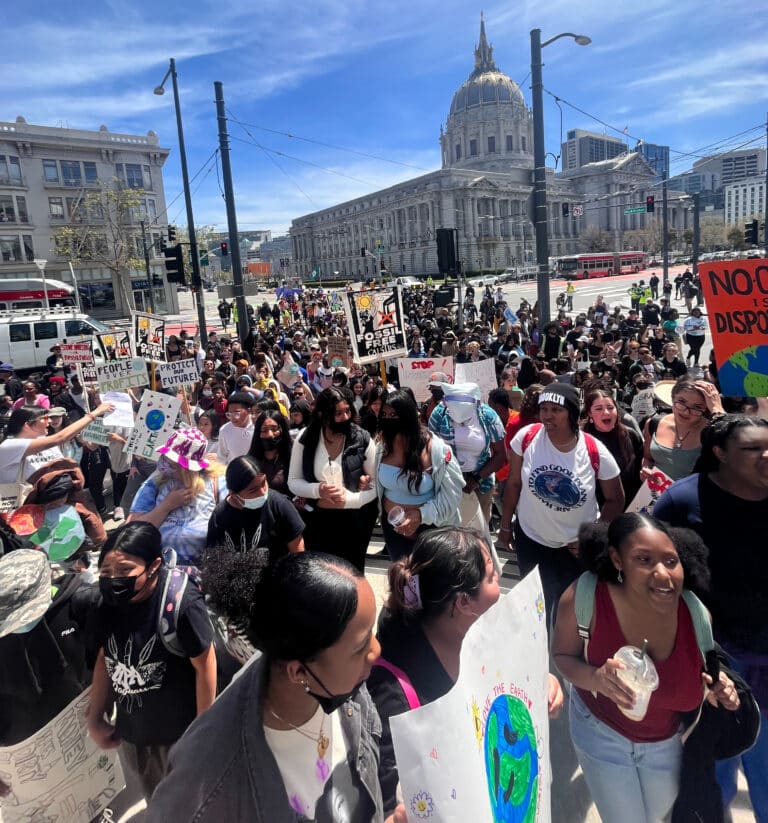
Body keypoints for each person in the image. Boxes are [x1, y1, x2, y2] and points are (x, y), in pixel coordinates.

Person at [146, 551, 398, 823]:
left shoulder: (343, 684)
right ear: (299, 672)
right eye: (361, 647)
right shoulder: (207, 781)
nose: (376, 650)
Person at [552, 513, 740, 823]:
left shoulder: (695, 616)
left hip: (665, 746)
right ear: (617, 559)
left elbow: (705, 677)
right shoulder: (585, 598)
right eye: (644, 559)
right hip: (600, 733)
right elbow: (562, 655)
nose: (663, 575)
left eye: (670, 561)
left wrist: (719, 689)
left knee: (655, 817)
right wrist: (595, 679)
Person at [368, 527, 564, 816]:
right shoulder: (392, 696)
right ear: (463, 602)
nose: (499, 582)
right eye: (491, 576)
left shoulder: (490, 637)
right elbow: (388, 801)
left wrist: (543, 683)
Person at [653, 414, 768, 820]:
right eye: (752, 449)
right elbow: (643, 567)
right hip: (713, 663)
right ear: (719, 453)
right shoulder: (682, 501)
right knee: (713, 777)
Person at [87, 523, 217, 801]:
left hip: (178, 736)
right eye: (106, 572)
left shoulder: (182, 606)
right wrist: (95, 716)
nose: (114, 580)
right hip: (134, 732)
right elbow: (103, 658)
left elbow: (205, 665)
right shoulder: (104, 605)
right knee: (156, 799)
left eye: (125, 571)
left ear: (154, 565)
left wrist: (203, 734)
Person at [498, 382, 624, 623]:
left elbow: (615, 499)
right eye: (543, 408)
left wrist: (591, 538)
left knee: (571, 611)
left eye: (556, 409)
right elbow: (514, 484)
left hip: (574, 550)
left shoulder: (594, 451)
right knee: (536, 605)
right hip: (531, 540)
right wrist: (505, 526)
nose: (547, 415)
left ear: (572, 413)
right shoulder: (527, 437)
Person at [288, 387, 377, 571]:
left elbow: (378, 484)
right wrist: (317, 490)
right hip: (317, 523)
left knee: (351, 577)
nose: (345, 417)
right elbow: (294, 481)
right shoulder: (306, 438)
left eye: (347, 411)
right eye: (338, 413)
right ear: (322, 414)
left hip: (353, 523)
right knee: (321, 578)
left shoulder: (362, 438)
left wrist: (352, 499)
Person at [375, 389, 464, 560]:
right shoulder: (381, 448)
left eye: (394, 414)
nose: (388, 419)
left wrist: (419, 516)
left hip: (432, 530)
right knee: (404, 580)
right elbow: (376, 486)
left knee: (431, 580)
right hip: (394, 529)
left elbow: (452, 497)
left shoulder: (437, 450)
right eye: (384, 414)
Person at [128, 428, 226, 566]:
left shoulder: (218, 484)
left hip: (204, 577)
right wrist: (166, 506)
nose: (163, 462)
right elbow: (132, 530)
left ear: (186, 467)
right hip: (160, 574)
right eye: (164, 457)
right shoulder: (155, 483)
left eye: (170, 460)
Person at [428, 381, 506, 529]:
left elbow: (501, 455)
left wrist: (476, 479)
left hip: (481, 482)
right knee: (449, 529)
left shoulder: (488, 417)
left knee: (478, 530)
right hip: (447, 481)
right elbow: (430, 448)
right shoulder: (439, 414)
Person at [207, 455, 305, 559]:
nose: (263, 492)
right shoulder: (219, 517)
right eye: (253, 490)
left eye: (264, 483)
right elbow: (214, 558)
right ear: (233, 494)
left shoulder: (279, 505)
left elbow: (297, 552)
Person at [0, 402, 113, 483]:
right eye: (44, 418)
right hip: (26, 511)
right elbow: (61, 437)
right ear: (27, 425)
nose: (49, 421)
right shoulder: (10, 446)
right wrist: (95, 413)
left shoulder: (44, 440)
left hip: (59, 505)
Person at [641, 377, 724, 482]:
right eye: (681, 402)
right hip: (656, 494)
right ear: (672, 398)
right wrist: (646, 469)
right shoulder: (653, 423)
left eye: (697, 407)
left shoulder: (712, 432)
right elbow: (647, 458)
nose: (686, 412)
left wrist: (718, 411)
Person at [582, 388, 643, 506]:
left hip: (629, 506)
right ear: (589, 413)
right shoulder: (580, 439)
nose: (606, 412)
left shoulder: (630, 436)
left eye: (610, 408)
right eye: (598, 409)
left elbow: (638, 473)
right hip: (593, 510)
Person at [249, 409, 292, 495]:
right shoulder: (251, 462)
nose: (270, 434)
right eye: (264, 430)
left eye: (274, 429)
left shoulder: (293, 457)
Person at [217, 390, 256, 464]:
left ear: (249, 411)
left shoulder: (257, 427)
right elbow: (221, 457)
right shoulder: (224, 430)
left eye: (236, 413)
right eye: (229, 414)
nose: (233, 418)